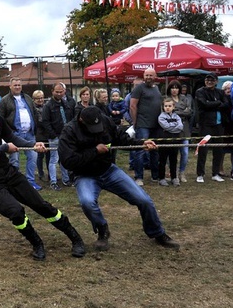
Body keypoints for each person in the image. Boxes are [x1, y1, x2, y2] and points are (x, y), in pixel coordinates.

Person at [0, 93, 85, 261]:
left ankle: (75, 238)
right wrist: (4, 148)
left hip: (8, 172)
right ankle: (36, 243)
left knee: (41, 205)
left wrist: (32, 145)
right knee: (16, 212)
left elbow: (12, 138)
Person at [59, 106, 180, 251]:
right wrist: (95, 151)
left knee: (144, 200)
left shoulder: (105, 121)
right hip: (84, 175)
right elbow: (68, 162)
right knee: (87, 202)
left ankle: (158, 233)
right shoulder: (69, 131)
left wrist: (141, 144)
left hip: (108, 170)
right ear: (81, 120)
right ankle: (102, 230)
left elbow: (121, 139)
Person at [0, 77, 42, 191]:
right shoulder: (4, 101)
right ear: (10, 86)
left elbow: (35, 113)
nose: (17, 87)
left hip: (30, 134)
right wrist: (7, 133)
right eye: (15, 85)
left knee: (33, 157)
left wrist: (36, 125)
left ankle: (30, 181)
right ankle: (14, 183)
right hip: (14, 135)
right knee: (14, 159)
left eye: (19, 85)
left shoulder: (27, 98)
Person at [129, 68, 162, 186]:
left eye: (150, 75)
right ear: (143, 76)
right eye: (146, 75)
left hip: (156, 125)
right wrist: (135, 122)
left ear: (155, 76)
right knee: (141, 151)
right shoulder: (139, 88)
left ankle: (155, 176)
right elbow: (133, 105)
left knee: (155, 151)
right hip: (143, 124)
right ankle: (138, 177)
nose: (148, 77)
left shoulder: (157, 88)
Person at [41, 82, 74, 189]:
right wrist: (53, 135)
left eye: (61, 92)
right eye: (57, 92)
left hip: (65, 135)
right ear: (52, 92)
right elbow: (45, 122)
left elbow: (70, 118)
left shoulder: (66, 104)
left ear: (64, 91)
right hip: (54, 136)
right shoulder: (48, 106)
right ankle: (53, 181)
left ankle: (66, 179)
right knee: (54, 159)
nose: (59, 94)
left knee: (64, 158)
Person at [167, 80, 193, 182]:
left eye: (176, 88)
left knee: (185, 152)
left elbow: (189, 112)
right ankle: (173, 172)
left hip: (184, 129)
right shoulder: (166, 99)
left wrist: (176, 111)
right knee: (172, 152)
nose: (174, 90)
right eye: (172, 88)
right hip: (172, 128)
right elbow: (167, 112)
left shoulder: (185, 98)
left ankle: (182, 172)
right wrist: (182, 111)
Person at [157, 98, 183, 187]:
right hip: (164, 141)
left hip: (175, 141)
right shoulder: (161, 116)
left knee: (174, 160)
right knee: (162, 160)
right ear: (163, 107)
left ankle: (174, 177)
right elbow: (166, 126)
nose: (167, 108)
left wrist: (171, 127)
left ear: (173, 107)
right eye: (166, 106)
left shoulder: (177, 116)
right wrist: (174, 126)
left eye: (169, 106)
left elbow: (180, 126)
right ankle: (161, 178)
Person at [32, 90, 49, 184]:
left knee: (48, 154)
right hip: (38, 133)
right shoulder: (32, 108)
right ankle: (41, 173)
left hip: (47, 133)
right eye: (38, 98)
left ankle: (50, 173)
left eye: (42, 98)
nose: (40, 100)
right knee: (39, 155)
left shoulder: (46, 107)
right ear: (34, 99)